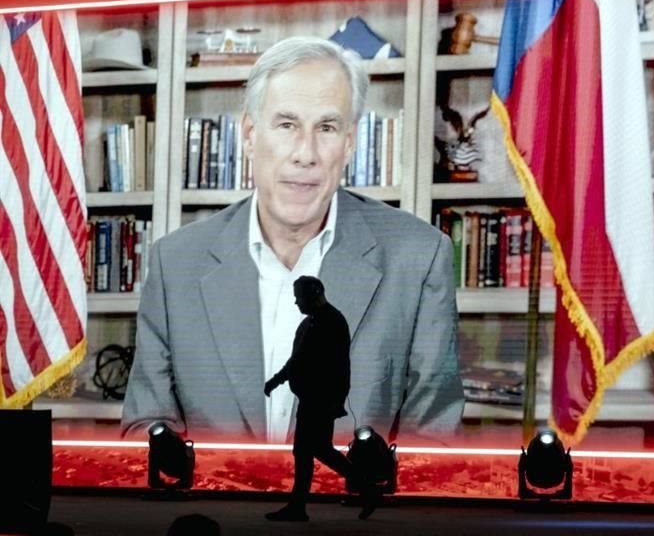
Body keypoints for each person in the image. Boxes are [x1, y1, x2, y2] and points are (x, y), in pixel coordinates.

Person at [122, 36, 464, 445]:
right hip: (212, 507)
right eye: (286, 125)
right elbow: (146, 432)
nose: (306, 153)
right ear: (249, 135)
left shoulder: (419, 257)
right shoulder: (175, 263)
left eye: (327, 127)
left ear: (350, 142)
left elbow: (433, 446)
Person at [264, 276, 376, 521]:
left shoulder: (332, 322)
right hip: (311, 398)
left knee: (310, 450)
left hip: (320, 399)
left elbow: (337, 366)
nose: (296, 302)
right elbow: (298, 360)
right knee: (315, 450)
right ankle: (365, 489)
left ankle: (302, 505)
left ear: (314, 293)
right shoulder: (311, 323)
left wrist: (334, 400)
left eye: (299, 296)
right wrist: (277, 380)